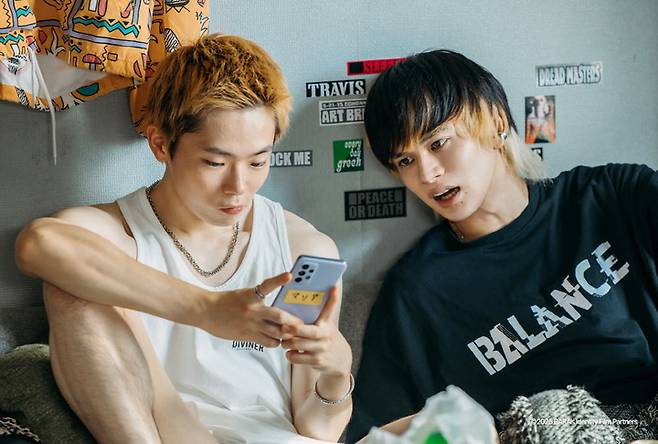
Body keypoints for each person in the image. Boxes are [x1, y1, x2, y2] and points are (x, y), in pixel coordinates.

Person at [15, 34, 354, 444]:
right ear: (161, 144)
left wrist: (336, 371)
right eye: (215, 162)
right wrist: (206, 309)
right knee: (71, 284)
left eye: (257, 162)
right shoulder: (121, 233)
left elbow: (320, 430)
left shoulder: (303, 250)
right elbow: (38, 244)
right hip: (171, 432)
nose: (239, 187)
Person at [346, 49, 658, 442]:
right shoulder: (416, 292)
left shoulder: (611, 197)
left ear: (495, 123)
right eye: (405, 161)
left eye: (439, 143)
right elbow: (379, 435)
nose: (427, 173)